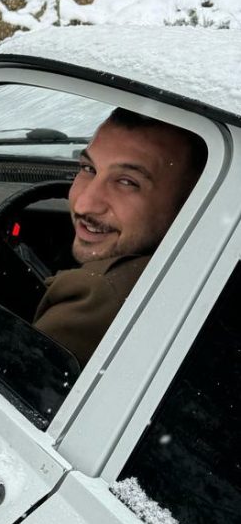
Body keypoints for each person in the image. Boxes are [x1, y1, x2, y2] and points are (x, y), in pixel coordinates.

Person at [34, 108, 207, 365]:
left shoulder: (101, 297)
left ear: (191, 202)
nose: (84, 204)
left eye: (127, 182)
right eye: (88, 168)